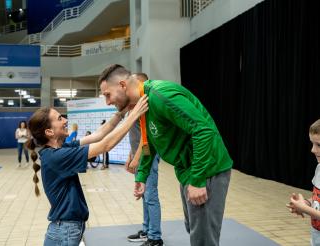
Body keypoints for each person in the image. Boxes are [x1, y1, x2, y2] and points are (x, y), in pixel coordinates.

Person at [98, 64, 233, 246]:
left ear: (122, 85)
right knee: (193, 228)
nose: (107, 102)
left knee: (203, 238)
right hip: (188, 170)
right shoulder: (143, 102)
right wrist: (142, 176)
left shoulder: (161, 95)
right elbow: (149, 142)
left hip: (208, 169)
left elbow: (204, 131)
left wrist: (198, 180)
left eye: (108, 95)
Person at [26, 95, 148, 246]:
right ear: (49, 132)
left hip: (64, 228)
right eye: (59, 119)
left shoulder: (61, 148)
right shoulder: (57, 157)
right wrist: (135, 114)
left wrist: (121, 113)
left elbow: (99, 135)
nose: (65, 120)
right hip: (65, 230)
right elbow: (105, 145)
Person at [125, 73, 163, 246]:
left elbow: (145, 138)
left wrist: (137, 159)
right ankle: (147, 230)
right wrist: (130, 156)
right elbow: (135, 136)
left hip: (148, 156)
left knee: (150, 196)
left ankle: (155, 237)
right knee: (143, 195)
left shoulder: (145, 107)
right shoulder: (133, 108)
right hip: (139, 157)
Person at [287, 119, 320, 245]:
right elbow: (317, 199)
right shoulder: (319, 168)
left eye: (318, 145)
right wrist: (306, 203)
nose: (312, 149)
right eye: (312, 144)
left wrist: (305, 209)